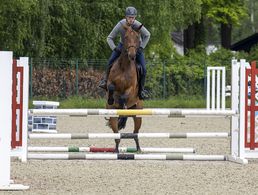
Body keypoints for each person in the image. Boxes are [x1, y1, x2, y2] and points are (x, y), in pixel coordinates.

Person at [98, 6, 151, 100]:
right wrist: (114, 48)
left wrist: (141, 47)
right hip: (122, 47)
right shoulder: (120, 24)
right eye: (130, 17)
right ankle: (105, 81)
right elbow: (109, 38)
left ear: (135, 17)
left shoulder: (138, 25)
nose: (131, 19)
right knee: (110, 61)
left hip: (136, 48)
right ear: (126, 17)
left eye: (133, 17)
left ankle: (141, 90)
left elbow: (147, 35)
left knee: (144, 68)